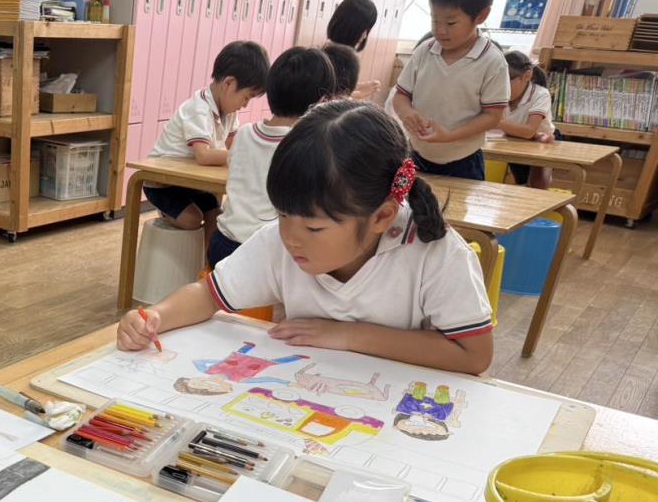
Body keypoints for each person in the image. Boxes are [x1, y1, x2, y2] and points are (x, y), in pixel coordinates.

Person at [117, 100, 494, 376]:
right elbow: (208, 294)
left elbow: (474, 355)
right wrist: (155, 316)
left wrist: (349, 336)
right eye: (282, 214)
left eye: (314, 228)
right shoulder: (281, 241)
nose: (291, 238)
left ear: (382, 216)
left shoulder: (436, 254)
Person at [210, 47, 336, 267]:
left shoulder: (245, 133)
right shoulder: (304, 145)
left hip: (222, 243)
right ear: (320, 102)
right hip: (263, 252)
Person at [145, 40, 269, 247]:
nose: (245, 104)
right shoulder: (198, 109)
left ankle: (209, 264)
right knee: (192, 219)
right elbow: (204, 155)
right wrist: (242, 154)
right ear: (228, 84)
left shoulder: (229, 112)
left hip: (190, 183)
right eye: (246, 97)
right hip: (162, 183)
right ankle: (166, 212)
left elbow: (233, 146)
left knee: (216, 216)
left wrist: (244, 153)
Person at [390, 0, 510, 181]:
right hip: (415, 155)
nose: (440, 30)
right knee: (409, 202)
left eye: (451, 23)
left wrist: (449, 136)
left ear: (481, 16)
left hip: (463, 162)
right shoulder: (424, 51)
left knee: (455, 204)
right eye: (434, 20)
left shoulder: (492, 62)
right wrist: (407, 113)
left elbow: (494, 116)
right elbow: (400, 96)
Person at [496, 50, 555, 189]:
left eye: (506, 82)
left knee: (538, 186)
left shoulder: (541, 94)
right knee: (521, 183)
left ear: (526, 76)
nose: (501, 87)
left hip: (543, 143)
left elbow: (529, 131)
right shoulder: (498, 94)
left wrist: (492, 121)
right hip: (513, 140)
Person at [326, 0, 381, 99]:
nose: (365, 36)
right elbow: (331, 100)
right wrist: (358, 95)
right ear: (350, 27)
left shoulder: (330, 50)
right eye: (363, 29)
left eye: (368, 30)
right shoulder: (336, 59)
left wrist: (359, 87)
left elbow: (337, 90)